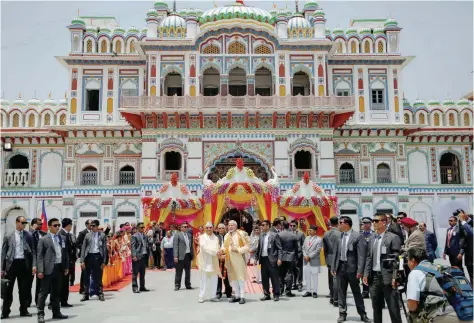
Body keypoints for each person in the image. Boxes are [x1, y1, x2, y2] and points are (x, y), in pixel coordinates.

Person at [363, 213, 403, 323]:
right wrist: (366, 273)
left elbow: (397, 260)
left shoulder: (393, 238)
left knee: (393, 307)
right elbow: (368, 257)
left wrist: (396, 277)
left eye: (376, 221)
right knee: (376, 306)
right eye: (373, 221)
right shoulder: (372, 238)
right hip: (374, 277)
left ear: (384, 222)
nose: (373, 223)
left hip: (388, 277)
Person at [332, 216, 371, 323]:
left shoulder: (357, 236)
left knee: (356, 292)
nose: (338, 224)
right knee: (341, 292)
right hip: (341, 268)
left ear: (347, 224)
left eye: (340, 222)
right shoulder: (339, 236)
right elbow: (336, 253)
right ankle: (342, 313)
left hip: (353, 270)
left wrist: (360, 271)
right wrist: (333, 267)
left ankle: (362, 314)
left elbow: (362, 255)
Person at [406, 247, 459, 323]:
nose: (407, 264)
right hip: (461, 310)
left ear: (413, 261)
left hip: (443, 315)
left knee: (413, 315)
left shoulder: (415, 273)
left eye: (408, 260)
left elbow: (412, 306)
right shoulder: (438, 268)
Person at [1, 216, 36, 319]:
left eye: (25, 223)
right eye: (22, 222)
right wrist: (2, 269)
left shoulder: (29, 235)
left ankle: (24, 310)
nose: (24, 225)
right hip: (11, 265)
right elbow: (3, 253)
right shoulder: (8, 235)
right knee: (8, 290)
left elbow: (33, 252)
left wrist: (33, 265)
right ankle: (5, 311)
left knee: (24, 289)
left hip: (24, 265)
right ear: (17, 223)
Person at [36, 218, 69, 323]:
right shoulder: (44, 239)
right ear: (49, 227)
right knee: (43, 293)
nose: (58, 227)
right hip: (48, 269)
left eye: (58, 225)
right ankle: (40, 314)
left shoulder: (62, 238)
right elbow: (39, 256)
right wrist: (40, 270)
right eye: (55, 225)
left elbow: (65, 254)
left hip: (59, 268)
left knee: (56, 292)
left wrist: (66, 266)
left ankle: (56, 312)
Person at [222, 220, 250, 304]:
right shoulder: (226, 235)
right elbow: (224, 247)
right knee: (233, 278)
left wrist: (238, 250)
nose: (230, 227)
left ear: (236, 226)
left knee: (240, 277)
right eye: (229, 225)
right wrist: (221, 250)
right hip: (229, 259)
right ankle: (237, 295)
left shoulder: (241, 234)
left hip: (239, 258)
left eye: (232, 225)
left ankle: (242, 296)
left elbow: (248, 246)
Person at [80, 219, 107, 302]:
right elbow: (83, 248)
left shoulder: (102, 235)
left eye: (93, 226)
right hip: (88, 257)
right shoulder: (87, 235)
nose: (92, 227)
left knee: (98, 276)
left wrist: (104, 261)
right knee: (86, 276)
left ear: (97, 226)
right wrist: (82, 261)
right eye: (91, 225)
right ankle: (86, 294)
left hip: (98, 257)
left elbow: (104, 249)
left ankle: (100, 293)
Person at [256, 220, 282, 302]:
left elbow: (279, 248)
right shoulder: (261, 235)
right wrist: (256, 258)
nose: (261, 226)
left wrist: (280, 258)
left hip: (272, 259)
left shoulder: (274, 235)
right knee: (264, 278)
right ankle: (266, 294)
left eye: (263, 225)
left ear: (268, 226)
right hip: (263, 259)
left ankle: (276, 294)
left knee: (274, 278)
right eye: (261, 225)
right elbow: (259, 248)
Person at [197, 222, 221, 303]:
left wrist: (218, 252)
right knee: (203, 280)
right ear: (205, 228)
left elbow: (218, 247)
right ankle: (201, 296)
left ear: (213, 228)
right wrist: (215, 252)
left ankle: (213, 296)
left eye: (210, 227)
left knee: (214, 279)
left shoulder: (216, 238)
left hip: (214, 262)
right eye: (207, 227)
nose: (209, 229)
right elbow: (204, 248)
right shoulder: (202, 237)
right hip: (205, 262)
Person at [27, 217, 47, 307]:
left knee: (40, 283)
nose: (41, 226)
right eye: (39, 224)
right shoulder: (28, 233)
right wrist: (33, 230)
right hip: (30, 262)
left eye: (41, 224)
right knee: (28, 283)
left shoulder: (43, 234)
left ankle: (38, 301)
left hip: (40, 261)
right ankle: (27, 302)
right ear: (34, 224)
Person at [277, 220, 300, 297]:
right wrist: (296, 256)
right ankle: (288, 290)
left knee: (281, 274)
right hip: (291, 256)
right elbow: (296, 248)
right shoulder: (293, 235)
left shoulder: (279, 234)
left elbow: (278, 247)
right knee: (289, 273)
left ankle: (280, 289)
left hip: (281, 256)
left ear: (282, 226)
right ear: (289, 226)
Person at [323, 216, 340, 306]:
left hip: (329, 258)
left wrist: (326, 259)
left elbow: (325, 249)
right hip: (338, 258)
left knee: (330, 278)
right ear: (338, 222)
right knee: (337, 279)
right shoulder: (340, 233)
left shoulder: (326, 234)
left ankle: (332, 296)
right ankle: (336, 298)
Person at [302, 225, 323, 298]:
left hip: (314, 261)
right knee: (307, 277)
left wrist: (309, 256)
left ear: (315, 231)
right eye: (308, 230)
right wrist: (305, 255)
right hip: (306, 261)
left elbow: (318, 250)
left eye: (310, 230)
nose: (309, 231)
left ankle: (315, 291)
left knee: (314, 277)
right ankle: (308, 291)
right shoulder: (306, 238)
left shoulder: (319, 239)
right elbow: (303, 248)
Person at [58, 217, 76, 307]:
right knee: (60, 283)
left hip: (69, 262)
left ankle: (64, 301)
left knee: (65, 283)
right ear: (68, 225)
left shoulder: (69, 235)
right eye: (71, 225)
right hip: (63, 263)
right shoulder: (61, 235)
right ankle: (55, 302)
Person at [173, 222, 194, 291]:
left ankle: (188, 285)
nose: (186, 228)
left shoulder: (189, 235)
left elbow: (191, 246)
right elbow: (175, 246)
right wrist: (175, 256)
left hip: (188, 255)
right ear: (181, 228)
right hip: (180, 256)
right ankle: (177, 285)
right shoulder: (177, 235)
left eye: (186, 227)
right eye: (184, 227)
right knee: (179, 271)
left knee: (188, 272)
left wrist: (192, 254)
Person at [131, 222, 150, 293]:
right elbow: (133, 247)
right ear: (138, 228)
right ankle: (135, 287)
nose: (143, 228)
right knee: (135, 273)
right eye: (141, 227)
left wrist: (149, 253)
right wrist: (134, 255)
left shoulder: (145, 236)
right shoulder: (134, 236)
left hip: (144, 256)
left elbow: (147, 245)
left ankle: (142, 286)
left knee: (142, 273)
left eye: (143, 227)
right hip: (137, 256)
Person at [215, 223, 232, 299]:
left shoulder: (228, 236)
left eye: (222, 228)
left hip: (227, 258)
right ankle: (218, 292)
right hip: (218, 258)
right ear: (217, 229)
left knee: (227, 276)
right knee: (218, 275)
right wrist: (219, 255)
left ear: (225, 228)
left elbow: (231, 247)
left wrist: (226, 255)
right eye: (219, 228)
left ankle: (228, 292)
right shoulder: (215, 237)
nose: (221, 230)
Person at [76, 220, 92, 294]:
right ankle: (82, 289)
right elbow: (77, 243)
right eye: (90, 224)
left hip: (93, 255)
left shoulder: (94, 233)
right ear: (86, 225)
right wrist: (85, 247)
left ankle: (90, 288)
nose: (92, 225)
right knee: (84, 272)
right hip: (85, 256)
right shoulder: (82, 233)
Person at [360, 217, 373, 298]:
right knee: (363, 275)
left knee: (371, 275)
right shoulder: (360, 234)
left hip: (371, 258)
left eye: (367, 223)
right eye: (364, 223)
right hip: (362, 258)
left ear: (370, 224)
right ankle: (365, 291)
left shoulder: (374, 234)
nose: (365, 225)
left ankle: (371, 290)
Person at [458, 211, 473, 283]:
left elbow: (471, 232)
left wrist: (464, 221)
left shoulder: (470, 230)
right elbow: (464, 241)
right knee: (472, 276)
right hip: (469, 257)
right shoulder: (467, 227)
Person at [290, 220, 305, 292]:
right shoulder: (288, 233)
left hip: (298, 254)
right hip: (290, 254)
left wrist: (301, 253)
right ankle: (293, 284)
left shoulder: (301, 234)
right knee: (292, 270)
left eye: (294, 226)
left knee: (299, 270)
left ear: (297, 226)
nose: (292, 227)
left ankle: (299, 284)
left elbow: (303, 245)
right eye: (291, 225)